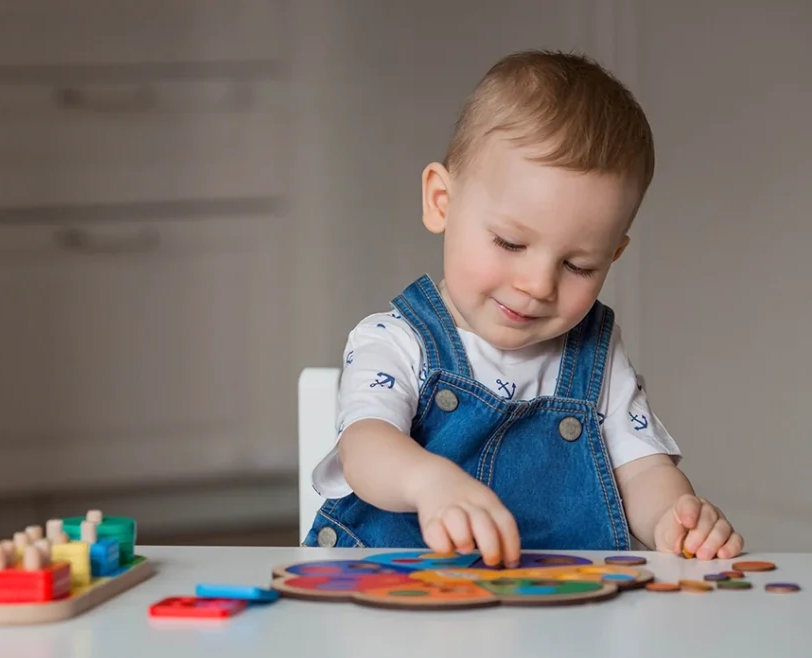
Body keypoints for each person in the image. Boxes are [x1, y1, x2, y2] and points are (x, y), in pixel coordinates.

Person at [302, 50, 743, 567]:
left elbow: (642, 472)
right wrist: (429, 482)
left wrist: (675, 516)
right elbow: (365, 449)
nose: (537, 285)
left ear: (613, 256)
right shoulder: (396, 340)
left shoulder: (595, 357)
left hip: (560, 616)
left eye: (579, 266)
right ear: (441, 201)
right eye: (510, 243)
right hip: (398, 604)